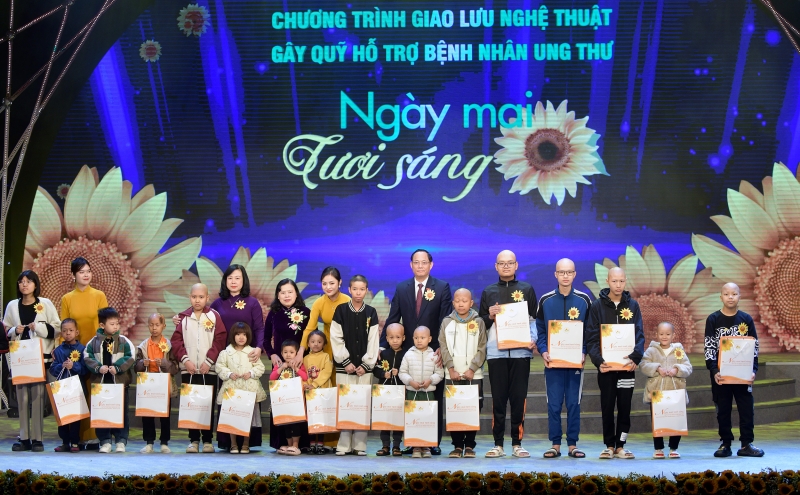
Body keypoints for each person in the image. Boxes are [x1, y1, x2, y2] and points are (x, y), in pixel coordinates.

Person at [171, 264, 264, 453]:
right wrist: (179, 318)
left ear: (244, 280)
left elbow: (259, 328)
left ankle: (243, 442)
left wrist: (259, 348)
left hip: (242, 358)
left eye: (237, 278)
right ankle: (225, 442)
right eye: (230, 278)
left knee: (236, 400)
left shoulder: (252, 302)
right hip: (224, 359)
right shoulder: (217, 305)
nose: (233, 281)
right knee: (221, 399)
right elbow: (194, 328)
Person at [384, 249, 452, 454]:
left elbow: (445, 320)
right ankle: (413, 440)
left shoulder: (441, 287)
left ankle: (433, 442)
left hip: (433, 352)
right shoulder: (402, 287)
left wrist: (441, 347)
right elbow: (393, 317)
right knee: (411, 397)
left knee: (434, 396)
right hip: (409, 352)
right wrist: (382, 345)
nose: (420, 266)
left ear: (431, 265)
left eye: (424, 262)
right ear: (411, 265)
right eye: (416, 262)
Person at [479, 250, 537, 459]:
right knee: (499, 399)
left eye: (509, 263)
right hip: (497, 353)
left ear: (516, 265)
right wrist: (488, 315)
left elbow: (534, 320)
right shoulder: (488, 291)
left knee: (518, 398)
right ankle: (498, 444)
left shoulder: (526, 289)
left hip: (521, 352)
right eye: (501, 263)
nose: (506, 266)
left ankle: (516, 443)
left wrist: (534, 340)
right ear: (496, 266)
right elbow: (481, 324)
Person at [585, 267, 645, 460]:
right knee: (607, 405)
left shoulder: (633, 306)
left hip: (627, 368)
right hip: (607, 368)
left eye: (621, 281)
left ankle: (621, 445)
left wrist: (636, 358)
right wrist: (598, 360)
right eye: (614, 281)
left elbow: (639, 335)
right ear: (607, 281)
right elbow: (592, 337)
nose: (618, 285)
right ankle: (609, 445)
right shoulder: (597, 306)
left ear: (625, 281)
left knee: (625, 406)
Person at [535, 258, 591, 459]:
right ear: (555, 275)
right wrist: (543, 351)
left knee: (574, 403)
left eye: (569, 272)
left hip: (576, 362)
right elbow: (540, 330)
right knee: (554, 404)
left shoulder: (584, 300)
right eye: (561, 272)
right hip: (553, 362)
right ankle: (555, 444)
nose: (565, 276)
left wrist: (584, 351)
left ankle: (573, 445)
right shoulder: (546, 300)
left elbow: (589, 331)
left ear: (575, 274)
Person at [3, 270, 61, 452]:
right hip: (21, 358)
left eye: (28, 281)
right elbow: (5, 331)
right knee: (22, 398)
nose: (24, 284)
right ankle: (24, 438)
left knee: (37, 397)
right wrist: (15, 331)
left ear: (35, 284)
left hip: (40, 358)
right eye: (21, 281)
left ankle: (37, 439)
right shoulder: (12, 305)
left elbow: (57, 328)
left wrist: (40, 327)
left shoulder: (45, 303)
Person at [704, 282, 763, 457]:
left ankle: (746, 444)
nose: (731, 297)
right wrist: (714, 370)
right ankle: (725, 444)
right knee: (723, 410)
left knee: (746, 409)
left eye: (734, 294)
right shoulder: (713, 319)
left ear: (739, 296)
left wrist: (753, 370)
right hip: (721, 375)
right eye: (727, 294)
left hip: (743, 375)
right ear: (721, 296)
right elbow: (709, 347)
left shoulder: (746, 319)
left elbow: (754, 346)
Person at [296, 267, 349, 452]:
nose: (328, 287)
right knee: (323, 393)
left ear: (340, 283)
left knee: (338, 393)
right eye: (324, 283)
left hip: (343, 346)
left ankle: (337, 441)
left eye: (332, 283)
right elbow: (310, 328)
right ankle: (321, 438)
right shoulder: (319, 302)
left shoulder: (348, 301)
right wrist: (301, 351)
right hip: (325, 348)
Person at [170, 283, 227, 454]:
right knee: (191, 404)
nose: (197, 300)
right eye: (194, 297)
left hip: (207, 370)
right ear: (190, 297)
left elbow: (220, 339)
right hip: (190, 370)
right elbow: (176, 341)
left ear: (207, 298)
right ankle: (193, 440)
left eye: (201, 297)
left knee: (206, 405)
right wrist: (186, 361)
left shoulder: (214, 316)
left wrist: (208, 361)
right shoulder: (183, 318)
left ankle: (208, 440)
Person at [60, 257, 108, 448]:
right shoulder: (67, 298)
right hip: (74, 353)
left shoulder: (99, 295)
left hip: (95, 352)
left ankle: (95, 435)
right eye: (81, 271)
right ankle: (74, 438)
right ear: (73, 275)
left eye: (88, 270)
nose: (86, 274)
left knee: (92, 392)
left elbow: (104, 325)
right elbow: (65, 327)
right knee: (76, 394)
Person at [330, 275, 380, 456]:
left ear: (366, 291)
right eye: (355, 289)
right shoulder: (341, 310)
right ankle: (343, 445)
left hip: (364, 370)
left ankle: (360, 445)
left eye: (362, 289)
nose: (358, 293)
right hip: (345, 369)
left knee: (362, 405)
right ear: (349, 290)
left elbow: (374, 340)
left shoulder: (371, 312)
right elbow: (336, 337)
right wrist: (346, 361)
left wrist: (366, 365)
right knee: (345, 404)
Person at [265, 279, 312, 453]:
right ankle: (281, 442)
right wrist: (273, 354)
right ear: (278, 295)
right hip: (280, 366)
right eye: (282, 292)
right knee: (281, 403)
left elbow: (310, 337)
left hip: (299, 365)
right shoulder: (273, 313)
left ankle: (300, 444)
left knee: (299, 403)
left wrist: (301, 353)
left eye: (290, 291)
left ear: (296, 293)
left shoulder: (306, 312)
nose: (286, 295)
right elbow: (265, 339)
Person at [439, 288, 487, 459]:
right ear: (453, 303)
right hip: (452, 374)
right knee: (455, 409)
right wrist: (450, 368)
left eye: (464, 300)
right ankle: (457, 445)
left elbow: (482, 348)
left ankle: (470, 446)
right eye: (457, 300)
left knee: (472, 409)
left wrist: (472, 368)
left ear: (471, 303)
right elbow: (443, 347)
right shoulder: (446, 322)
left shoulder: (479, 321)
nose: (460, 303)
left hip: (474, 375)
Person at [84, 307, 135, 453]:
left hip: (119, 385)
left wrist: (118, 368)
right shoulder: (93, 343)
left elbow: (131, 356)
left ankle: (120, 440)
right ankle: (105, 441)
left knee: (121, 412)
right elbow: (87, 357)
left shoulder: (123, 341)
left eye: (117, 323)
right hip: (101, 385)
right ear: (102, 325)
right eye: (112, 324)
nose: (116, 326)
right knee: (102, 412)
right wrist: (98, 367)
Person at [640, 322, 692, 459]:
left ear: (673, 335)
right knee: (657, 420)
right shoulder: (651, 350)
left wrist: (677, 369)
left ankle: (674, 448)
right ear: (656, 335)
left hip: (675, 392)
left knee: (676, 419)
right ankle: (658, 448)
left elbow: (688, 367)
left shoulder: (678, 350)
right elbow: (643, 365)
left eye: (668, 334)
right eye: (661, 334)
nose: (664, 337)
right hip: (657, 393)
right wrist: (657, 368)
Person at [216, 322, 267, 455]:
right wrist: (229, 374)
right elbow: (219, 367)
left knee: (247, 417)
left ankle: (245, 444)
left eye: (244, 335)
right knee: (232, 417)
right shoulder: (226, 352)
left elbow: (260, 367)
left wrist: (251, 373)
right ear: (233, 336)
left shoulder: (252, 352)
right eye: (238, 334)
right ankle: (233, 444)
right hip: (232, 388)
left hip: (248, 390)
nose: (241, 337)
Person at [134, 313, 179, 453]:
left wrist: (165, 363)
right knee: (147, 414)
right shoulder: (143, 346)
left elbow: (175, 367)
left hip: (163, 383)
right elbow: (136, 366)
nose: (154, 328)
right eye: (151, 325)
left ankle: (164, 442)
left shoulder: (169, 345)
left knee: (164, 414)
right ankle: (149, 442)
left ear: (163, 326)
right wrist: (143, 363)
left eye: (157, 325)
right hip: (148, 383)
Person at [399, 326, 444, 458]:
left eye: (422, 338)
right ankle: (416, 446)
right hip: (412, 393)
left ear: (429, 339)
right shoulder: (408, 354)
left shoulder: (434, 355)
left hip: (428, 394)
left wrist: (430, 380)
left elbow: (439, 374)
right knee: (414, 419)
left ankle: (426, 446)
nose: (419, 340)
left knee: (427, 419)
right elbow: (402, 372)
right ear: (412, 339)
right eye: (416, 338)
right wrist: (410, 381)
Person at [50, 318, 85, 452]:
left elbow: (85, 369)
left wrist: (74, 366)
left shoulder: (82, 349)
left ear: (77, 332)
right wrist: (61, 366)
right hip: (62, 389)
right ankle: (65, 442)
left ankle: (75, 442)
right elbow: (53, 369)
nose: (68, 333)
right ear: (61, 333)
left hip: (77, 388)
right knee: (63, 416)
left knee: (76, 417)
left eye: (71, 330)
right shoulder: (58, 351)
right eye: (65, 331)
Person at [269, 339, 308, 456]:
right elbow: (272, 377)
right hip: (283, 401)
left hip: (296, 401)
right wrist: (282, 367)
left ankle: (296, 445)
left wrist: (295, 369)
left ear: (296, 353)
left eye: (291, 352)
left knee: (296, 423)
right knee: (285, 423)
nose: (288, 354)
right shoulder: (278, 365)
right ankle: (289, 444)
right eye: (285, 352)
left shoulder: (300, 365)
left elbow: (305, 377)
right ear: (281, 353)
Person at [373, 323, 407, 457]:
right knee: (385, 418)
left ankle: (397, 446)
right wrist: (383, 374)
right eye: (391, 337)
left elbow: (409, 371)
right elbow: (376, 369)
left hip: (400, 392)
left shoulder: (406, 355)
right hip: (385, 392)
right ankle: (385, 445)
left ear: (403, 338)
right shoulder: (383, 354)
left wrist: (400, 372)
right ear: (386, 339)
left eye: (398, 337)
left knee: (398, 419)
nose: (395, 340)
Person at [303, 330, 333, 453]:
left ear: (324, 344)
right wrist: (306, 385)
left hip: (322, 392)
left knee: (321, 418)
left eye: (319, 342)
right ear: (308, 344)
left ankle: (320, 443)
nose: (316, 344)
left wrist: (315, 384)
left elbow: (326, 372)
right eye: (313, 341)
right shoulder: (305, 358)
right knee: (311, 418)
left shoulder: (326, 357)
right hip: (310, 393)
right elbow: (304, 374)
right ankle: (311, 444)